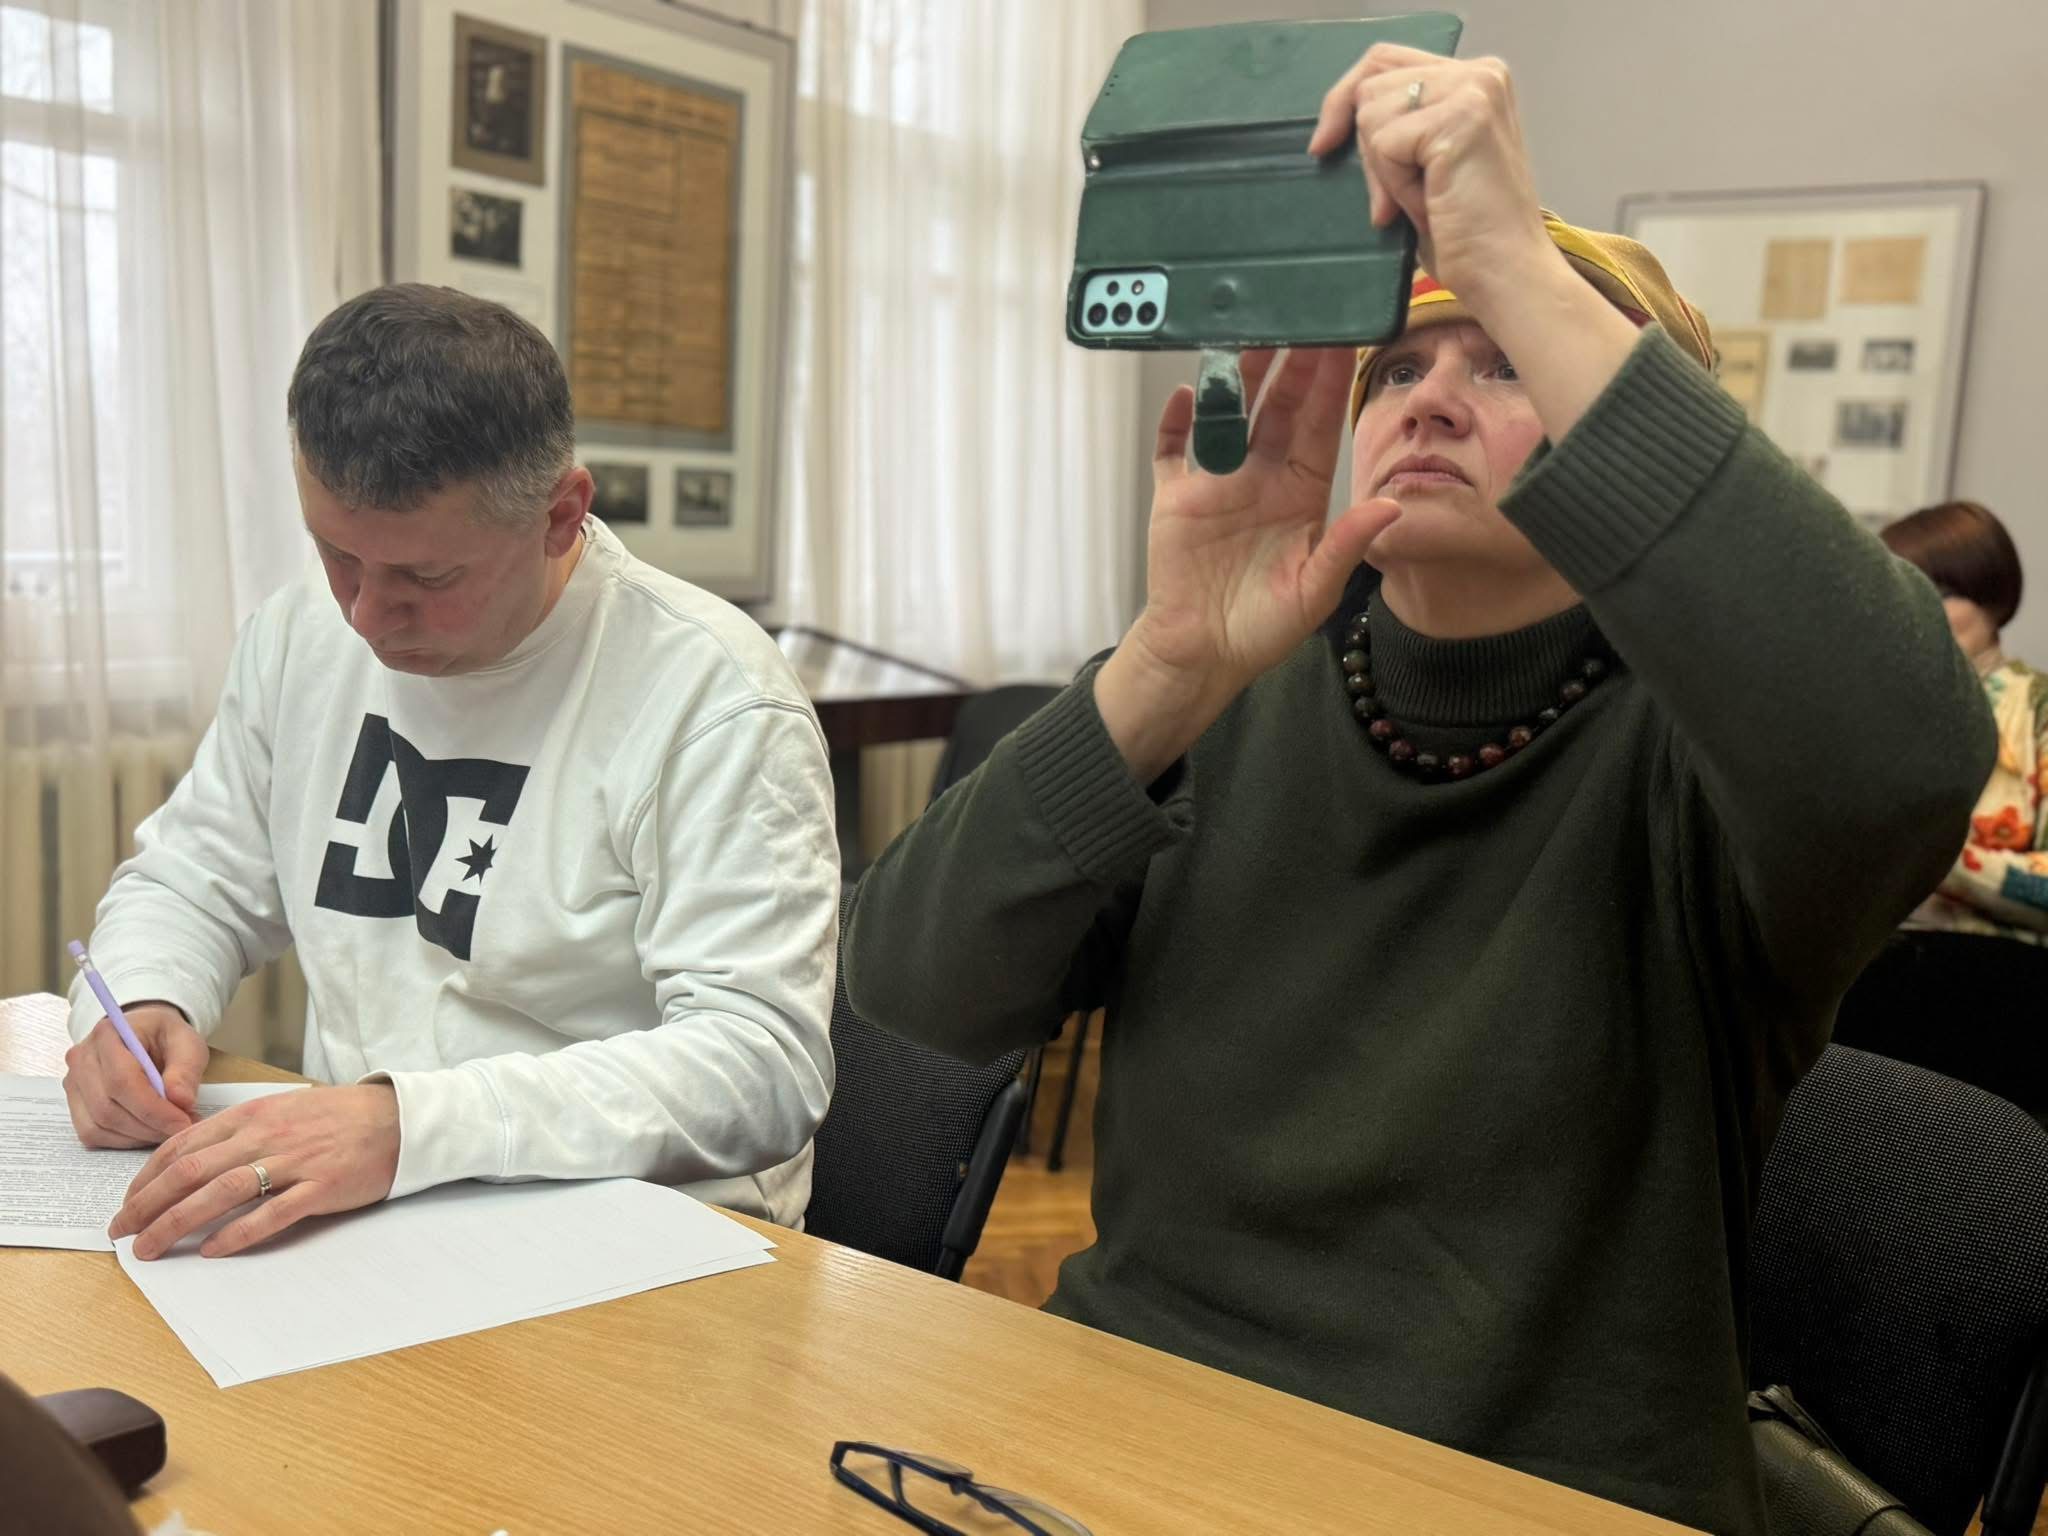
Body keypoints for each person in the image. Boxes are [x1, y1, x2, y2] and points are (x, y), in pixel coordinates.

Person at [842, 44, 1992, 1536]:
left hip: (1518, 1489)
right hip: (1130, 1430)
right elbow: (909, 989)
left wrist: (1508, 247)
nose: (1431, 397)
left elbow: (1907, 748)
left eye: (1503, 359)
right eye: (1396, 367)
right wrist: (1165, 667)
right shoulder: (1228, 694)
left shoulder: (1706, 764)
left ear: (1635, 458)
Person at [61, 284, 839, 1261]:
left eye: (426, 579)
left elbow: (761, 1064)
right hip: (370, 1212)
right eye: (337, 554)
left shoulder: (712, 697)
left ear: (561, 515)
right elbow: (192, 880)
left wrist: (408, 1129)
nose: (365, 615)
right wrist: (143, 1000)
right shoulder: (300, 634)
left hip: (646, 1239)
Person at [1880, 501, 2047, 940]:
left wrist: (1935, 862)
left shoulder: (2037, 710)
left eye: (1942, 592)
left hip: (1997, 969)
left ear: (1993, 596)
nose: (1920, 609)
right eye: (1901, 591)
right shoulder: (1876, 710)